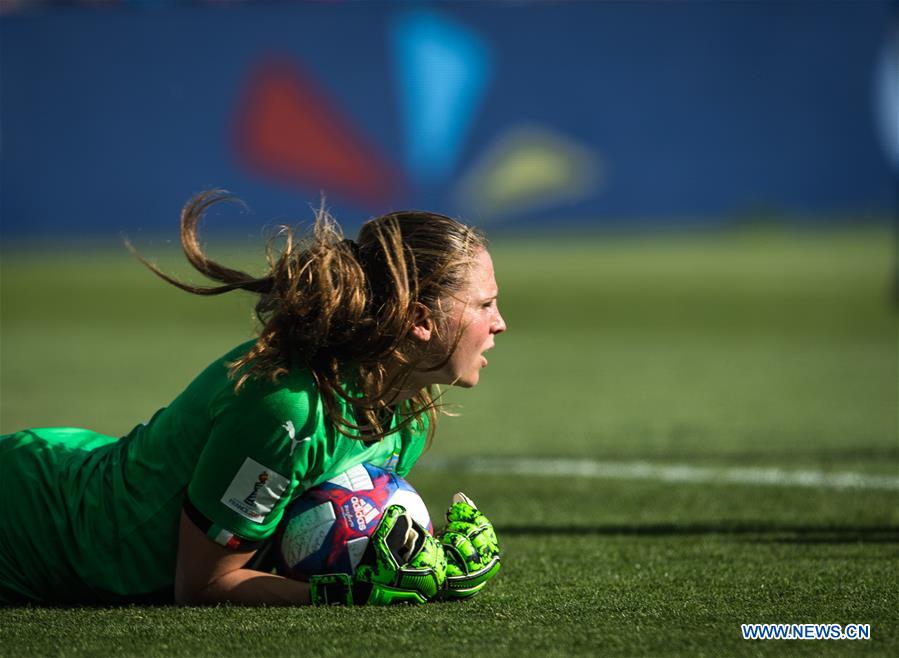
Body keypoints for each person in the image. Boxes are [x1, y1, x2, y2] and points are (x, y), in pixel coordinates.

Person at [0, 190, 506, 606]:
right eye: (485, 304)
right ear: (419, 320)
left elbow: (316, 527)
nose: (499, 323)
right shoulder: (288, 411)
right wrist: (355, 593)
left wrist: (425, 553)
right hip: (31, 527)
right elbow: (204, 585)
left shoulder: (409, 412)